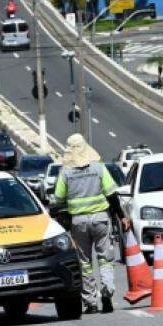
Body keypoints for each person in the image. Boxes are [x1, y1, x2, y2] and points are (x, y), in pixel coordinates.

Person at [53, 134, 121, 314]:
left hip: (79, 222)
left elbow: (58, 199)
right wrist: (121, 216)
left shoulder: (66, 172)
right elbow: (112, 194)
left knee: (84, 262)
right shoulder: (98, 168)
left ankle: (90, 301)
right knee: (105, 258)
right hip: (100, 219)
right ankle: (107, 291)